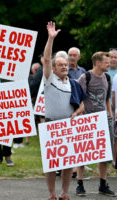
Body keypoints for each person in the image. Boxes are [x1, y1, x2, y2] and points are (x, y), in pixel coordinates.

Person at [42, 21, 86, 200]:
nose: (64, 67)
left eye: (66, 65)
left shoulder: (74, 84)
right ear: (53, 68)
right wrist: (51, 39)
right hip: (52, 125)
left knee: (69, 164)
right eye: (60, 65)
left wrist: (76, 113)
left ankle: (65, 193)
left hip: (69, 127)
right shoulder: (49, 80)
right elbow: (46, 59)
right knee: (51, 164)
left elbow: (82, 103)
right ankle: (52, 194)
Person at [76, 51, 116, 197]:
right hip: (88, 122)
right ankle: (80, 184)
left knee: (105, 155)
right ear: (98, 63)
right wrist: (80, 118)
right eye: (106, 61)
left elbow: (106, 99)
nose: (109, 63)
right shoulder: (85, 77)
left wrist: (109, 115)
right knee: (83, 153)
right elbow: (78, 99)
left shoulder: (107, 77)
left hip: (104, 121)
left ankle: (103, 184)